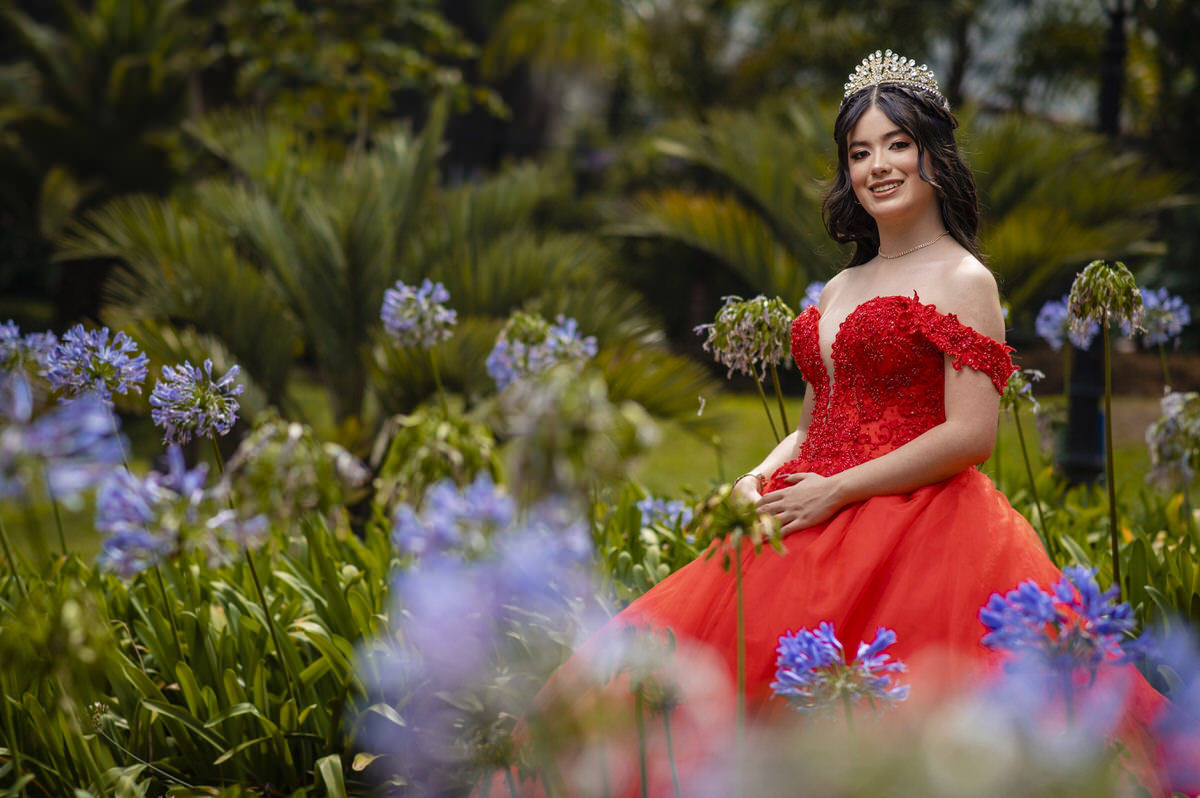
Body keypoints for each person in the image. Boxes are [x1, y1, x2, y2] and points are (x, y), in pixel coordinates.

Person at [493, 50, 1174, 797]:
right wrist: (755, 478)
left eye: (896, 145)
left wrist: (839, 491)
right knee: (688, 682)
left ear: (932, 156)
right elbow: (816, 422)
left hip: (924, 526)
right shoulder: (841, 283)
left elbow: (971, 435)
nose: (878, 165)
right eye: (859, 152)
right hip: (804, 502)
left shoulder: (964, 278)